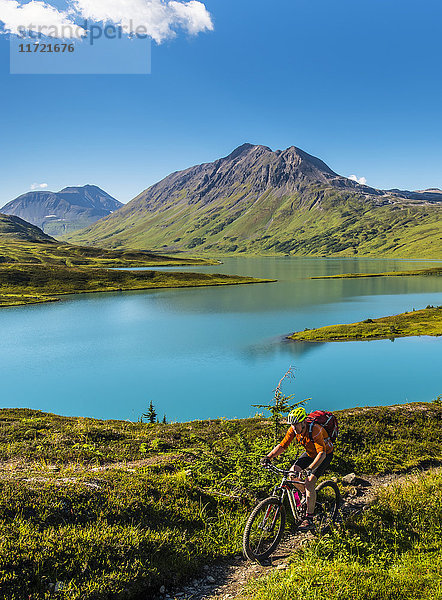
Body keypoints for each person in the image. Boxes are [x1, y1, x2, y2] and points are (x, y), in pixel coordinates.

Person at [261, 406, 334, 531]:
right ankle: (305, 495)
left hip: (324, 455)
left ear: (303, 422)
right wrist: (268, 457)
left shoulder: (315, 430)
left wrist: (310, 468)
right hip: (310, 453)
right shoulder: (293, 430)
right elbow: (283, 446)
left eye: (296, 424)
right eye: (292, 425)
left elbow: (321, 454)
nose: (294, 427)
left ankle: (309, 519)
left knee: (310, 482)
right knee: (292, 474)